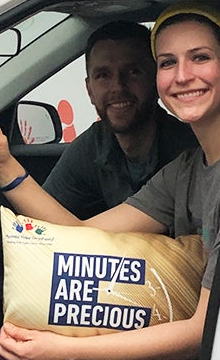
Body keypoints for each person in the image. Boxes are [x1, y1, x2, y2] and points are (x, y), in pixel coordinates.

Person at [0, 4, 220, 360]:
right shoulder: (188, 169)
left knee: (18, 359)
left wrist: (62, 350)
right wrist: (2, 166)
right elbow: (83, 236)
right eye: (168, 62)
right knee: (16, 347)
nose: (183, 76)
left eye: (200, 58)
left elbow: (202, 332)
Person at [42, 20, 198, 219]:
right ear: (89, 90)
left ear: (156, 80)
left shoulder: (188, 152)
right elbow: (41, 223)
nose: (118, 87)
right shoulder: (94, 145)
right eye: (103, 75)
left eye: (133, 72)